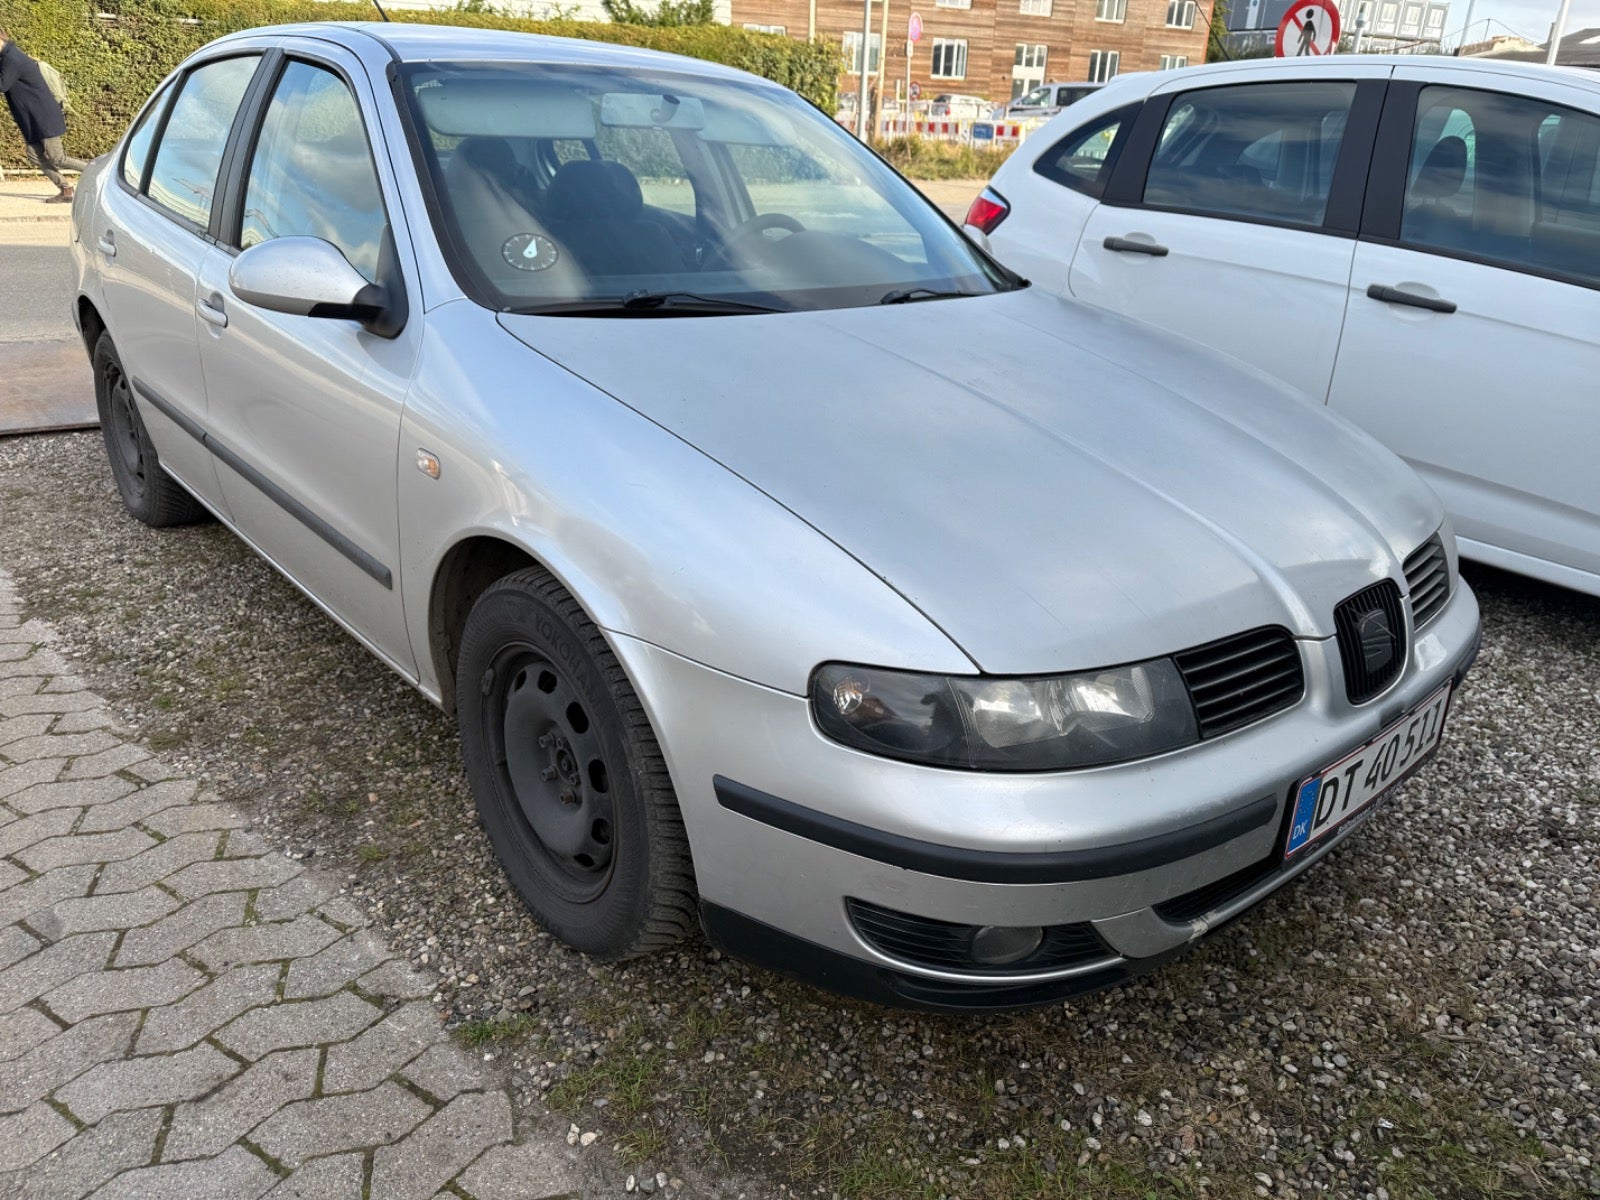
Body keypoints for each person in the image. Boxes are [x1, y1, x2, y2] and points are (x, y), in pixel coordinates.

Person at [0, 27, 85, 203]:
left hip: (43, 117)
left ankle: (96, 170)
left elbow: (1, 85)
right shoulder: (7, 57)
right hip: (33, 119)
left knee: (57, 157)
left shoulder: (12, 59)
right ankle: (66, 189)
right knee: (33, 154)